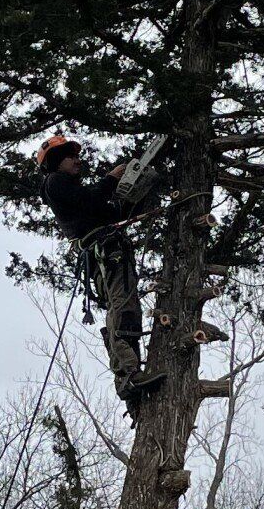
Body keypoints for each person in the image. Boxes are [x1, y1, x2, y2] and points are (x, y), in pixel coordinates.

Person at [35, 132, 168, 411]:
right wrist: (111, 178)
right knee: (123, 307)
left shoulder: (77, 196)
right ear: (57, 161)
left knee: (127, 308)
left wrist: (136, 193)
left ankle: (131, 377)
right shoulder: (56, 183)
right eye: (71, 157)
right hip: (105, 251)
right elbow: (91, 197)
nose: (77, 161)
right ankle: (128, 376)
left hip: (109, 248)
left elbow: (110, 213)